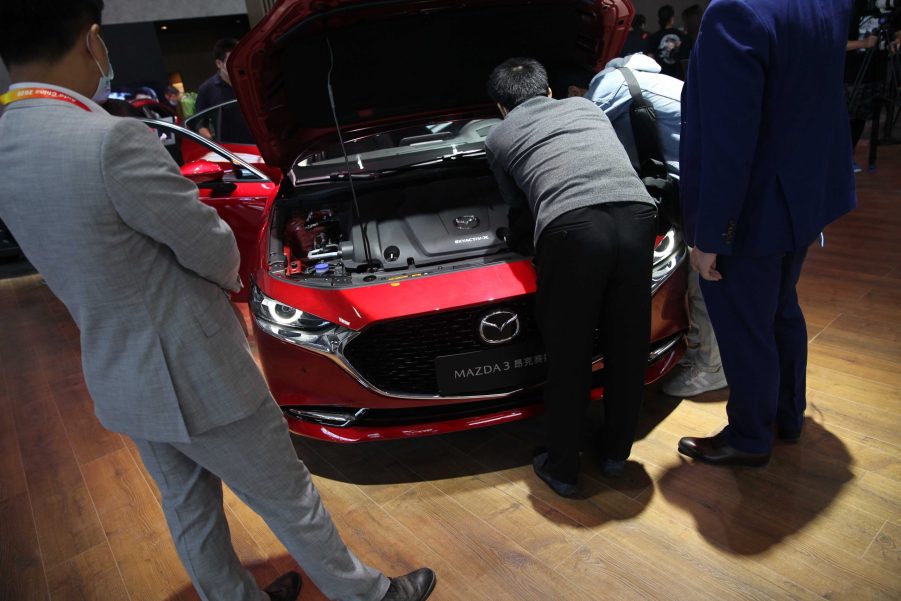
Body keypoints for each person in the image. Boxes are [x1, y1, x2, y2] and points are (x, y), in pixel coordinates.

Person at [0, 2, 436, 600]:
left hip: (119, 368)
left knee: (187, 504)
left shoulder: (7, 142)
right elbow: (211, 248)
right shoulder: (110, 140)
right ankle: (369, 595)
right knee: (289, 494)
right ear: (92, 40)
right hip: (195, 366)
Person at [677, 0, 856, 466]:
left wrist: (712, 235)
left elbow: (727, 140)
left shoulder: (734, 10)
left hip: (753, 208)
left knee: (745, 325)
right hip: (806, 192)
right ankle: (787, 413)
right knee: (780, 307)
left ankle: (750, 436)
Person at [485, 58, 658, 496]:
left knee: (570, 352)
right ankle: (616, 454)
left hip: (572, 227)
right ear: (547, 92)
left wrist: (518, 241)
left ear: (501, 108)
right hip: (637, 214)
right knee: (627, 343)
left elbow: (520, 206)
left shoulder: (499, 135)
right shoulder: (587, 107)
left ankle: (561, 467)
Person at [582, 53, 728, 398]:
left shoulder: (610, 83)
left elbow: (581, 131)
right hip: (709, 185)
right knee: (710, 279)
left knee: (702, 280)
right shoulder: (653, 79)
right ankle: (714, 357)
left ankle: (709, 369)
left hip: (703, 193)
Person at [845, 0, 889, 173]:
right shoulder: (851, 8)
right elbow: (834, 43)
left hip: (875, 70)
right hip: (851, 73)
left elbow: (897, 33)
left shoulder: (888, 8)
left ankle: (850, 155)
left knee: (862, 115)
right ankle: (843, 156)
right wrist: (864, 44)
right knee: (847, 116)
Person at [194, 37, 254, 144]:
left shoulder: (250, 81)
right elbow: (200, 123)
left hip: (260, 145)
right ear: (218, 63)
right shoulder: (207, 89)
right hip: (231, 150)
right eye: (230, 61)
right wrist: (215, 145)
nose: (236, 65)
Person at [645, 5, 691, 80]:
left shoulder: (655, 36)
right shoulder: (681, 34)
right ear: (672, 18)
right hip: (678, 77)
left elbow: (650, 57)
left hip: (661, 76)